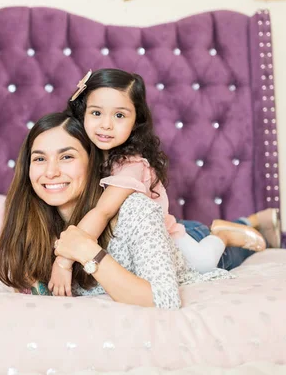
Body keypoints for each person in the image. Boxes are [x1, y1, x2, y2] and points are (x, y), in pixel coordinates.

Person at [47, 69, 268, 296]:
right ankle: (242, 223)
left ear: (136, 122)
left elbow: (102, 212)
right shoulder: (82, 156)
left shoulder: (131, 166)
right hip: (133, 238)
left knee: (205, 263)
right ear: (82, 113)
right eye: (96, 113)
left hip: (167, 235)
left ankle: (224, 234)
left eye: (119, 116)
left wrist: (64, 260)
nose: (106, 125)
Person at [0, 112, 232, 308]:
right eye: (40, 159)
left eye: (66, 157)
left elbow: (164, 300)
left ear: (92, 163)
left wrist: (87, 251)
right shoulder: (30, 219)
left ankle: (235, 229)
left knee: (222, 250)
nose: (50, 172)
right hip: (158, 232)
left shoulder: (136, 210)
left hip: (186, 242)